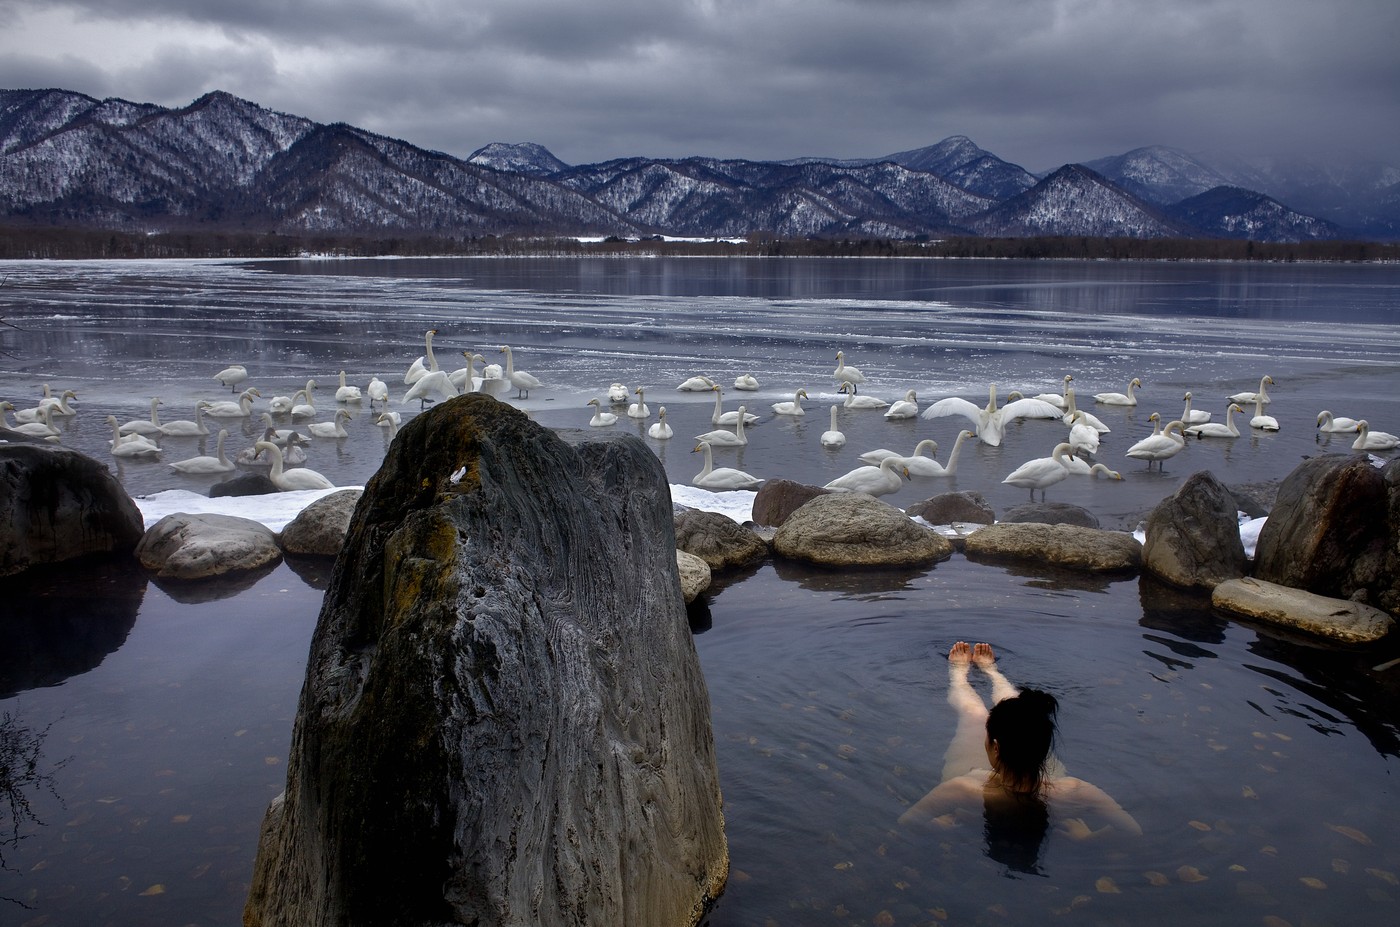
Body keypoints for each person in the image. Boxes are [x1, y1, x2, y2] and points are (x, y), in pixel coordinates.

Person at [899, 642, 1141, 873]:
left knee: (974, 713)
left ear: (995, 747)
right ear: (1045, 751)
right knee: (1019, 714)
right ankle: (992, 672)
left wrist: (940, 828)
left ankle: (960, 674)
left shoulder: (962, 789)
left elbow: (908, 823)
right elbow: (1132, 832)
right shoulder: (1076, 791)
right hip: (1045, 778)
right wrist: (1087, 839)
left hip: (977, 780)